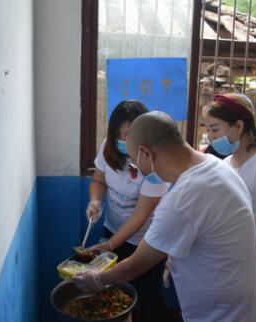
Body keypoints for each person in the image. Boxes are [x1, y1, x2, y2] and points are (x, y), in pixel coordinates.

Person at [75, 111, 256, 322]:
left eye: (136, 164)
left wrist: (96, 279)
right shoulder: (217, 166)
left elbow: (136, 265)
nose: (138, 170)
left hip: (221, 313)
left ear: (146, 153)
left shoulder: (184, 197)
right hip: (242, 303)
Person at [202, 93, 256, 322]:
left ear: (238, 126)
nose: (210, 138)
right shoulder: (226, 163)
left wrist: (221, 237)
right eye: (208, 130)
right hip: (234, 253)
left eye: (215, 129)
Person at [85, 100, 169, 322]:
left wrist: (113, 245)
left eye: (129, 134)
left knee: (148, 293)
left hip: (146, 239)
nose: (123, 140)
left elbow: (141, 215)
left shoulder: (154, 163)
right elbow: (99, 180)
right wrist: (95, 201)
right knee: (114, 292)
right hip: (113, 228)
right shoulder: (108, 148)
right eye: (118, 134)